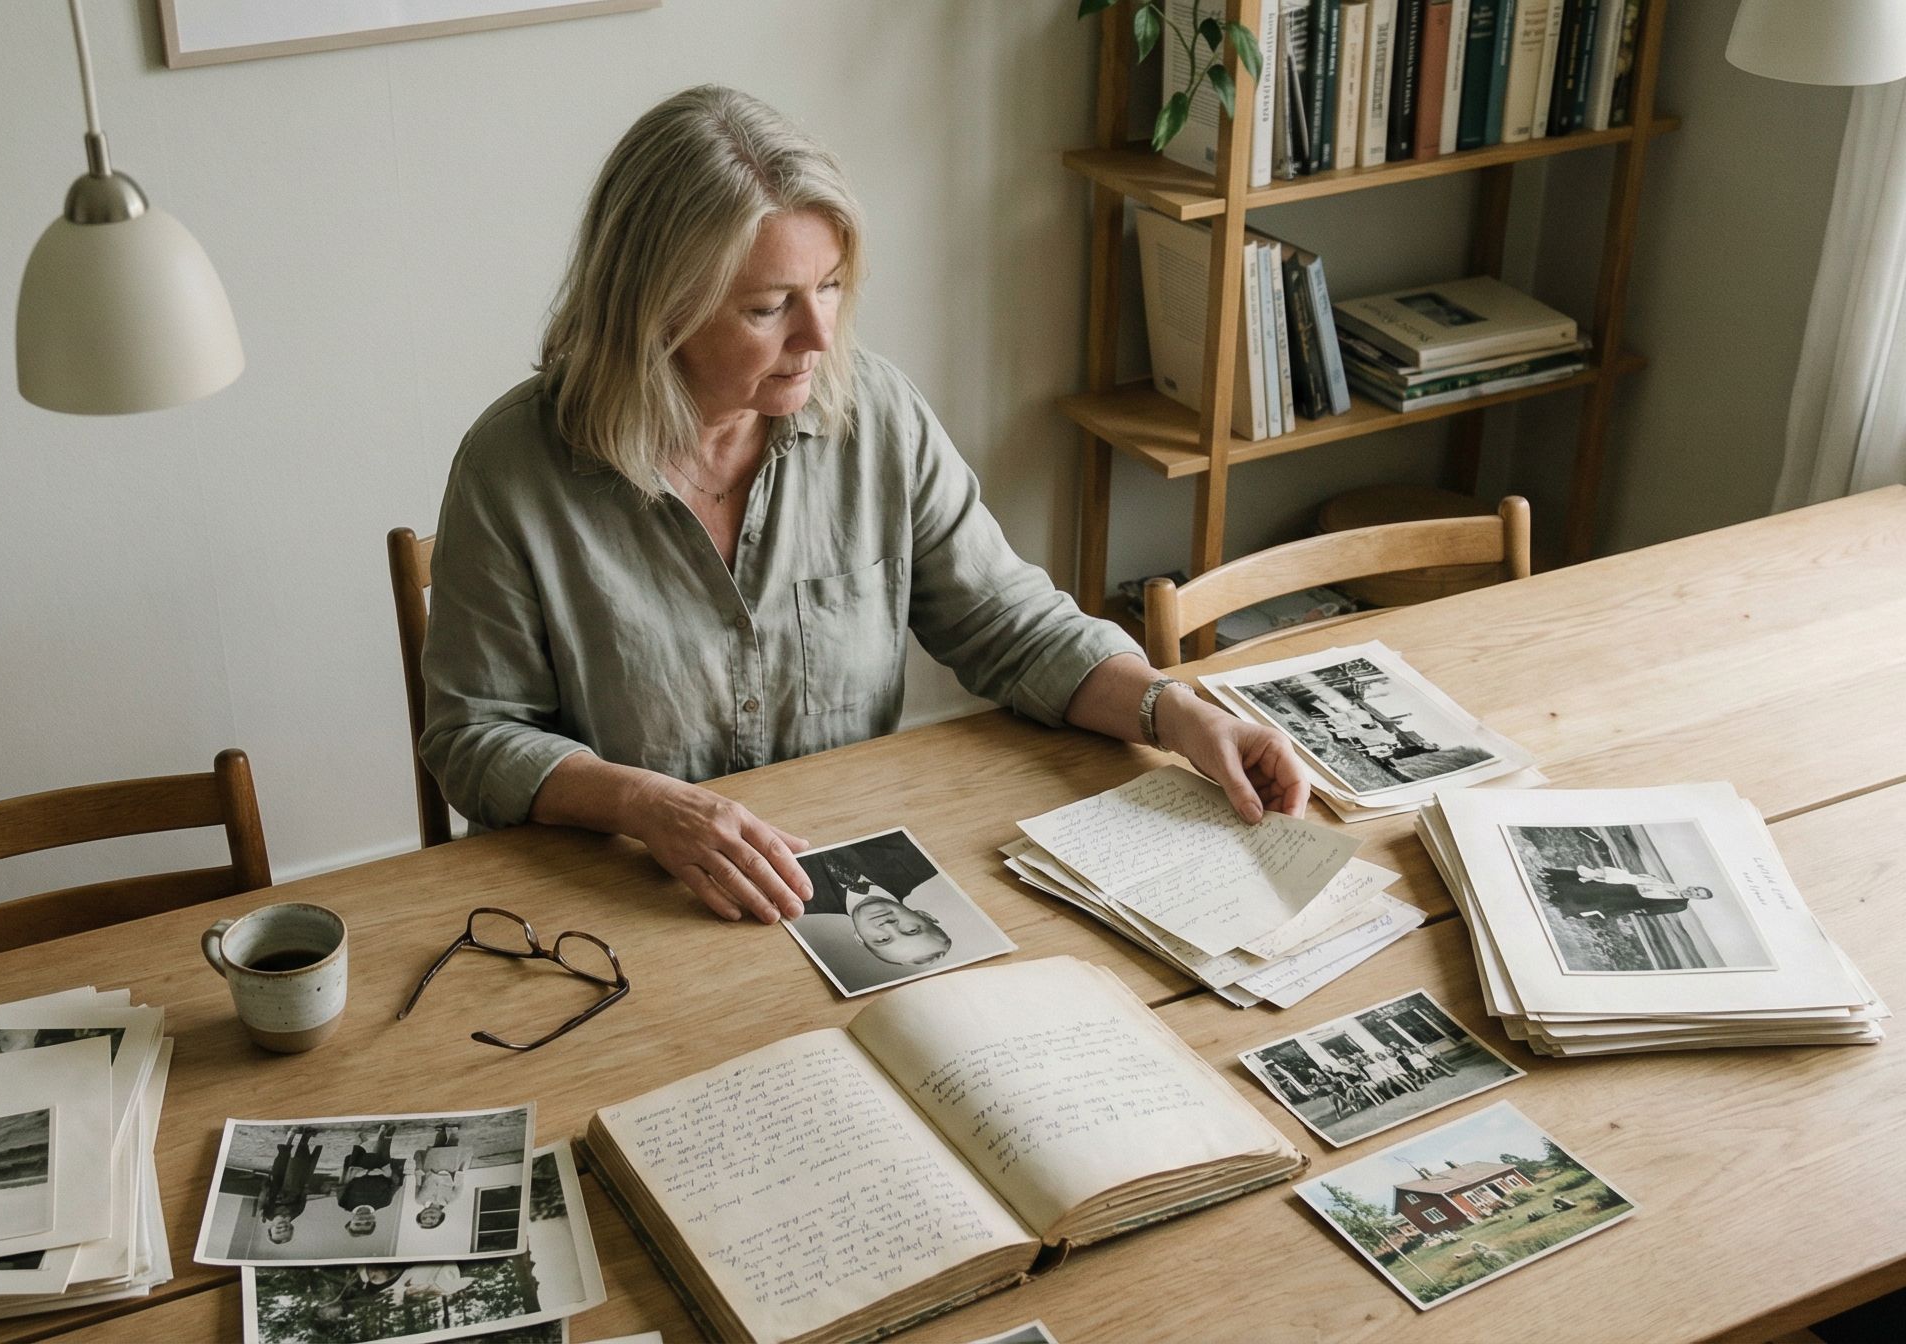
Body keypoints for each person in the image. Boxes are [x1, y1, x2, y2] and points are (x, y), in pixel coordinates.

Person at [419, 85, 1309, 926]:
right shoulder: (513, 469)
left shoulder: (874, 412)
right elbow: (474, 736)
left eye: (832, 286)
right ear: (657, 309)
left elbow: (1010, 625)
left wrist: (1175, 711)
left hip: (838, 889)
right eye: (769, 307)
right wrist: (644, 804)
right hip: (616, 900)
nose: (818, 337)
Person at [793, 860, 951, 969]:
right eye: (912, 930)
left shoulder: (797, 898)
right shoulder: (921, 863)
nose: (889, 926)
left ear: (859, 938)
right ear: (924, 916)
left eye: (883, 940)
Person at [1537, 863, 1714, 922]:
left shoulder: (1680, 905)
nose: (1693, 893)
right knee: (1592, 889)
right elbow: (1644, 881)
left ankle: (1554, 905)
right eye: (1695, 890)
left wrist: (1632, 911)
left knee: (1594, 904)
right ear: (1692, 886)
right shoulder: (1672, 885)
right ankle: (1547, 883)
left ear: (1697, 899)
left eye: (1698, 895)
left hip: (1632, 901)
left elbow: (1654, 911)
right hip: (1626, 889)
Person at [257, 1128, 321, 1246]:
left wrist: (264, 1190)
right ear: (291, 1228)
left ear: (271, 1229)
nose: (282, 1228)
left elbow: (261, 1201)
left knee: (282, 1161)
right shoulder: (296, 1212)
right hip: (295, 1184)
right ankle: (305, 1138)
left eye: (278, 1231)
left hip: (276, 1185)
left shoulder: (267, 1215)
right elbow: (302, 1198)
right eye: (286, 1230)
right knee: (300, 1161)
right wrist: (305, 1186)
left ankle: (290, 1139)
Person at [338, 1124, 404, 1237]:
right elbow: (393, 1187)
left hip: (359, 1171)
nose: (363, 1220)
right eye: (368, 1223)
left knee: (366, 1153)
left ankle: (366, 1139)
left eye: (358, 1223)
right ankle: (385, 1136)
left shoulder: (345, 1204)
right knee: (382, 1154)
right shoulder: (384, 1203)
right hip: (381, 1173)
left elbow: (342, 1185)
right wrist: (392, 1176)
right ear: (374, 1221)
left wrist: (352, 1172)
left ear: (351, 1221)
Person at [411, 1124, 468, 1231]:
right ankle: (454, 1133)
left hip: (430, 1171)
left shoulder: (419, 1200)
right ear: (441, 1216)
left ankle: (441, 1132)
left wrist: (418, 1169)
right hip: (449, 1172)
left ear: (420, 1213)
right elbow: (458, 1185)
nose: (429, 1214)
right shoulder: (451, 1199)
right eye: (433, 1217)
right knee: (451, 1149)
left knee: (436, 1148)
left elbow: (418, 1184)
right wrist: (459, 1171)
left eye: (424, 1217)